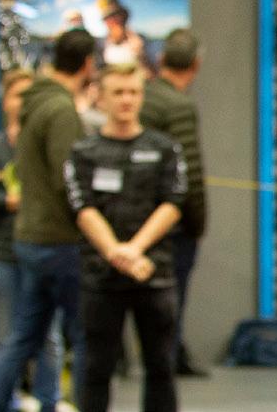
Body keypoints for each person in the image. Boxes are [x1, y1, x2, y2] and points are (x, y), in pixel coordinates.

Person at [0, 29, 99, 412]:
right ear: (88, 64)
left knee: (22, 338)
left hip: (31, 239)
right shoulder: (60, 109)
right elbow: (69, 179)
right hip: (59, 242)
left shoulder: (36, 102)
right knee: (86, 338)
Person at [67, 63, 186, 411]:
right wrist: (115, 253)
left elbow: (173, 203)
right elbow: (83, 208)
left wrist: (135, 249)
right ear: (101, 97)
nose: (126, 100)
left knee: (161, 366)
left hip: (153, 272)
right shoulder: (83, 152)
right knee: (96, 368)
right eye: (118, 92)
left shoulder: (164, 149)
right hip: (101, 275)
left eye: (133, 92)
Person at [0, 69, 69, 409]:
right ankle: (8, 403)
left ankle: (49, 401)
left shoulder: (50, 144)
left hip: (44, 254)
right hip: (5, 256)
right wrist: (10, 201)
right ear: (6, 101)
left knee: (49, 339)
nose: (25, 102)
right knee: (7, 337)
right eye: (18, 95)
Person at [139, 28, 209, 377]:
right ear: (195, 65)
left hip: (135, 221)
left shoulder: (145, 97)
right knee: (170, 303)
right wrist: (197, 223)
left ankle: (169, 358)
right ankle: (166, 367)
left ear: (162, 59)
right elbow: (189, 173)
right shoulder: (179, 105)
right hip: (171, 226)